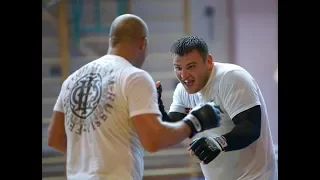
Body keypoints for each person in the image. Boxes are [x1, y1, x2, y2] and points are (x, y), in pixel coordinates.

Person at [47, 14, 221, 180]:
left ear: (111, 41)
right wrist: (194, 122)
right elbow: (153, 140)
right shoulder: (133, 76)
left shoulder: (73, 79)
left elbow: (55, 139)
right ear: (143, 44)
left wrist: (91, 163)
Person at [157, 36, 278, 180]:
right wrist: (156, 106)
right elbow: (172, 130)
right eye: (178, 68)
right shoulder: (182, 90)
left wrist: (218, 142)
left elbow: (250, 127)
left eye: (191, 66)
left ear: (208, 61)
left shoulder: (231, 78)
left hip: (255, 177)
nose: (183, 75)